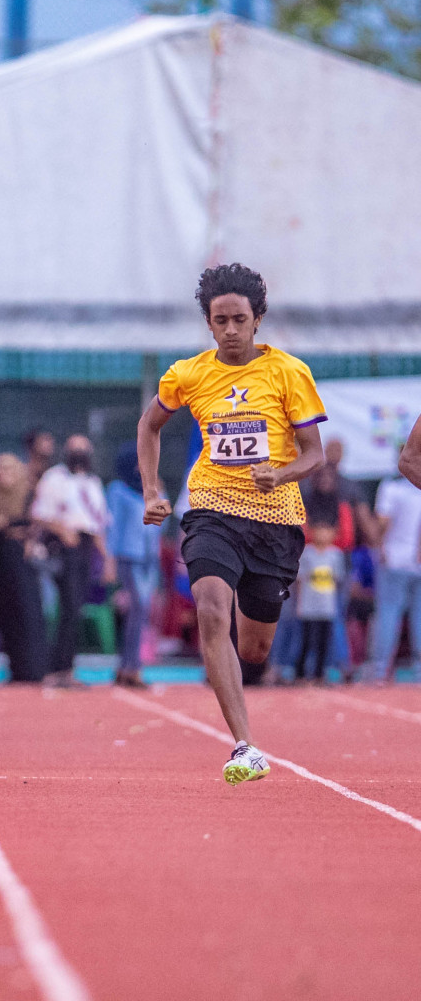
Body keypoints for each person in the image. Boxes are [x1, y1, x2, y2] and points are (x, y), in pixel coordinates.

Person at [139, 263, 327, 784]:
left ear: (258, 320)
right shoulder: (189, 374)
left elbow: (313, 455)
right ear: (208, 323)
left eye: (239, 319)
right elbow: (149, 425)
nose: (229, 330)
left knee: (254, 649)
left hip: (274, 519)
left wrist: (281, 472)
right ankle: (245, 745)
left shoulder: (290, 373)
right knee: (211, 610)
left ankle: (247, 676)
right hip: (211, 509)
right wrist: (153, 490)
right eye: (219, 320)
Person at [31, 434, 112, 688]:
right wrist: (62, 529)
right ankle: (56, 669)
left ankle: (65, 669)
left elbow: (97, 523)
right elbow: (39, 514)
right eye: (74, 448)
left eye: (83, 448)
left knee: (75, 608)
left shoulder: (93, 482)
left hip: (86, 545)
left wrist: (107, 557)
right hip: (64, 545)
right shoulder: (55, 478)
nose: (79, 452)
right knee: (67, 607)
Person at [0, 452, 47, 682]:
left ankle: (34, 668)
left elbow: (36, 524)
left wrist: (13, 530)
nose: (4, 475)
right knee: (5, 616)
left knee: (27, 615)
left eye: (9, 470)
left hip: (22, 564)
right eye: (0, 470)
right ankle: (15, 668)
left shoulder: (29, 495)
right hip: (0, 565)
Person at [107, 444, 162, 688]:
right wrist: (110, 561)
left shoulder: (152, 488)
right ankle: (131, 667)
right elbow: (113, 527)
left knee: (141, 613)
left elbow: (162, 517)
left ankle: (127, 666)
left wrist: (155, 486)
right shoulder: (118, 490)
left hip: (150, 558)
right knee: (137, 609)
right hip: (129, 557)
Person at [363, 459, 421, 681]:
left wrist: (377, 545)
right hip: (417, 560)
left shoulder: (391, 487)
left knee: (388, 614)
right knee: (419, 617)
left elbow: (384, 523)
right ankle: (418, 672)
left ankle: (379, 669)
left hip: (394, 559)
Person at [295, 522, 345, 683]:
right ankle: (300, 673)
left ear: (334, 533)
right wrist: (299, 604)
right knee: (307, 640)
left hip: (326, 607)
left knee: (324, 642)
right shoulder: (307, 554)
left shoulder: (336, 555)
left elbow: (337, 580)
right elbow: (300, 580)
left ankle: (319, 674)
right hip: (308, 607)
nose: (323, 534)